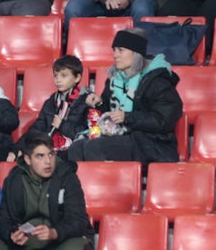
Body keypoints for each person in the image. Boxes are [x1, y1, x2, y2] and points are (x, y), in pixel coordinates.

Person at [67, 28, 184, 164]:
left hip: (151, 143)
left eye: (121, 50)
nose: (115, 55)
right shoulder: (114, 79)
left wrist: (128, 118)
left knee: (94, 147)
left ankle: (107, 185)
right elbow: (107, 113)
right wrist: (98, 103)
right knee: (76, 148)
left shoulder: (157, 80)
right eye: (114, 50)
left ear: (136, 54)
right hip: (120, 136)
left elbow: (164, 119)